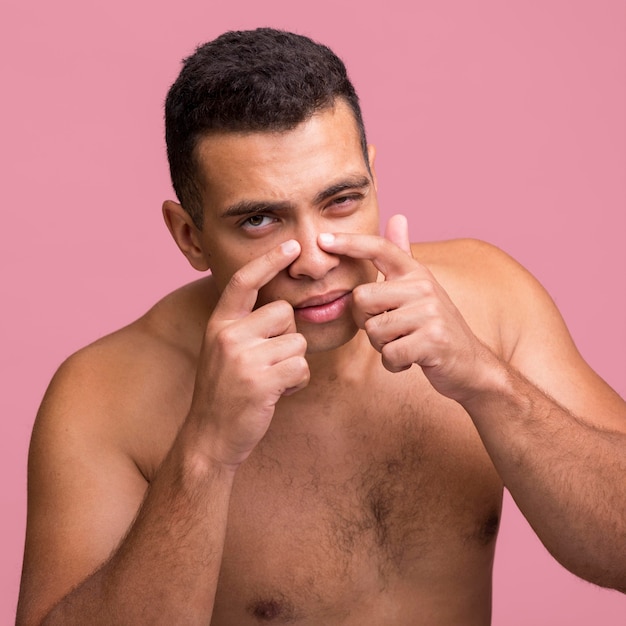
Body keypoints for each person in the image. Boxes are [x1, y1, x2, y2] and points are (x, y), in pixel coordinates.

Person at [16, 27, 626, 625]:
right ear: (190, 236)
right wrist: (204, 451)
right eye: (259, 220)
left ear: (373, 179)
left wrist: (486, 381)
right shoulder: (104, 396)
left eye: (340, 201)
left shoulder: (489, 298)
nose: (313, 258)